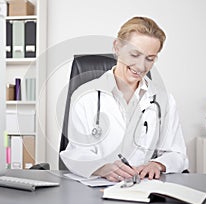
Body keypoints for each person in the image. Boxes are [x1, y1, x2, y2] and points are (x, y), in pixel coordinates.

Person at [60, 16, 188, 182]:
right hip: (98, 189)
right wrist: (101, 168)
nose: (141, 66)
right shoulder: (86, 96)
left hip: (145, 188)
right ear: (117, 47)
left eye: (150, 58)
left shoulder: (164, 100)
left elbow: (177, 153)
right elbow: (76, 152)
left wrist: (157, 164)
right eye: (134, 54)